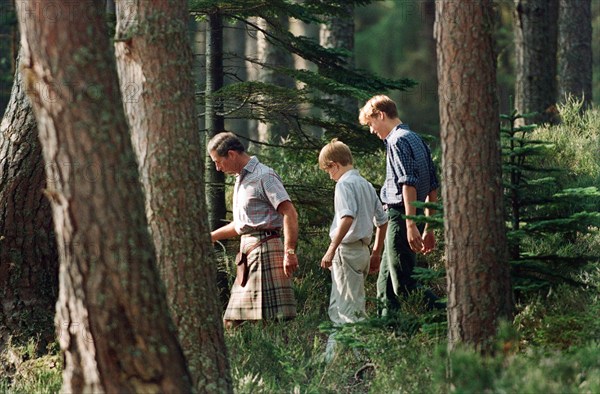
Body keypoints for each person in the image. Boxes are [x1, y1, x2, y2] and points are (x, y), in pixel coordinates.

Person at [358, 95, 440, 317]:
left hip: (401, 216)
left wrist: (411, 225)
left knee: (403, 284)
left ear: (381, 115)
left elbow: (408, 183)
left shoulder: (396, 140)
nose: (372, 131)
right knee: (384, 286)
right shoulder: (415, 138)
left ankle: (448, 314)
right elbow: (432, 186)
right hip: (411, 217)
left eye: (371, 124)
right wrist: (428, 226)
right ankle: (388, 332)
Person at [208, 132, 298, 329]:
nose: (217, 167)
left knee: (273, 321)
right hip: (249, 254)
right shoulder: (241, 180)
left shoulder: (264, 176)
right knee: (232, 321)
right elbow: (242, 224)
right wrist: (212, 237)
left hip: (267, 249)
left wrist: (289, 251)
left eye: (218, 161)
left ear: (231, 154)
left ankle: (280, 358)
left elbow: (289, 212)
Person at [318, 139, 388, 360]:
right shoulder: (366, 184)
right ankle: (329, 361)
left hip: (346, 252)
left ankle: (369, 361)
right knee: (338, 307)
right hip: (363, 251)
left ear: (334, 164)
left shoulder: (344, 184)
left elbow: (347, 217)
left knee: (351, 312)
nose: (329, 175)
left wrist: (331, 249)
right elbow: (383, 220)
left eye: (327, 170)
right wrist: (376, 252)